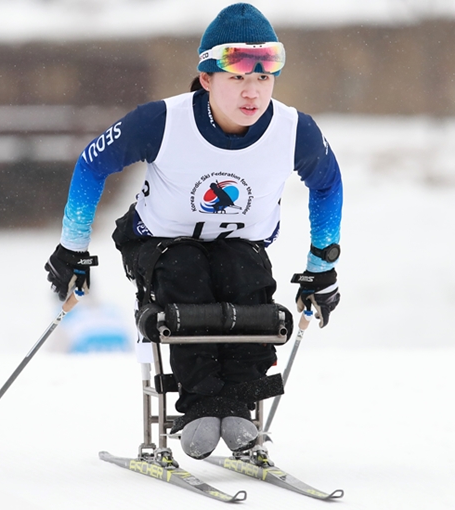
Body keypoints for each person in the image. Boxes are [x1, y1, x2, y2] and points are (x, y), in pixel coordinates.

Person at [44, 3, 342, 460]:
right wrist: (73, 248)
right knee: (187, 271)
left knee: (244, 275)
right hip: (157, 240)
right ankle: (202, 405)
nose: (253, 92)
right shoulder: (163, 120)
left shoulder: (293, 130)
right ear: (207, 78)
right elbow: (92, 163)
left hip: (242, 244)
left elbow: (327, 184)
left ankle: (239, 405)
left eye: (263, 78)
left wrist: (322, 266)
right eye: (238, 77)